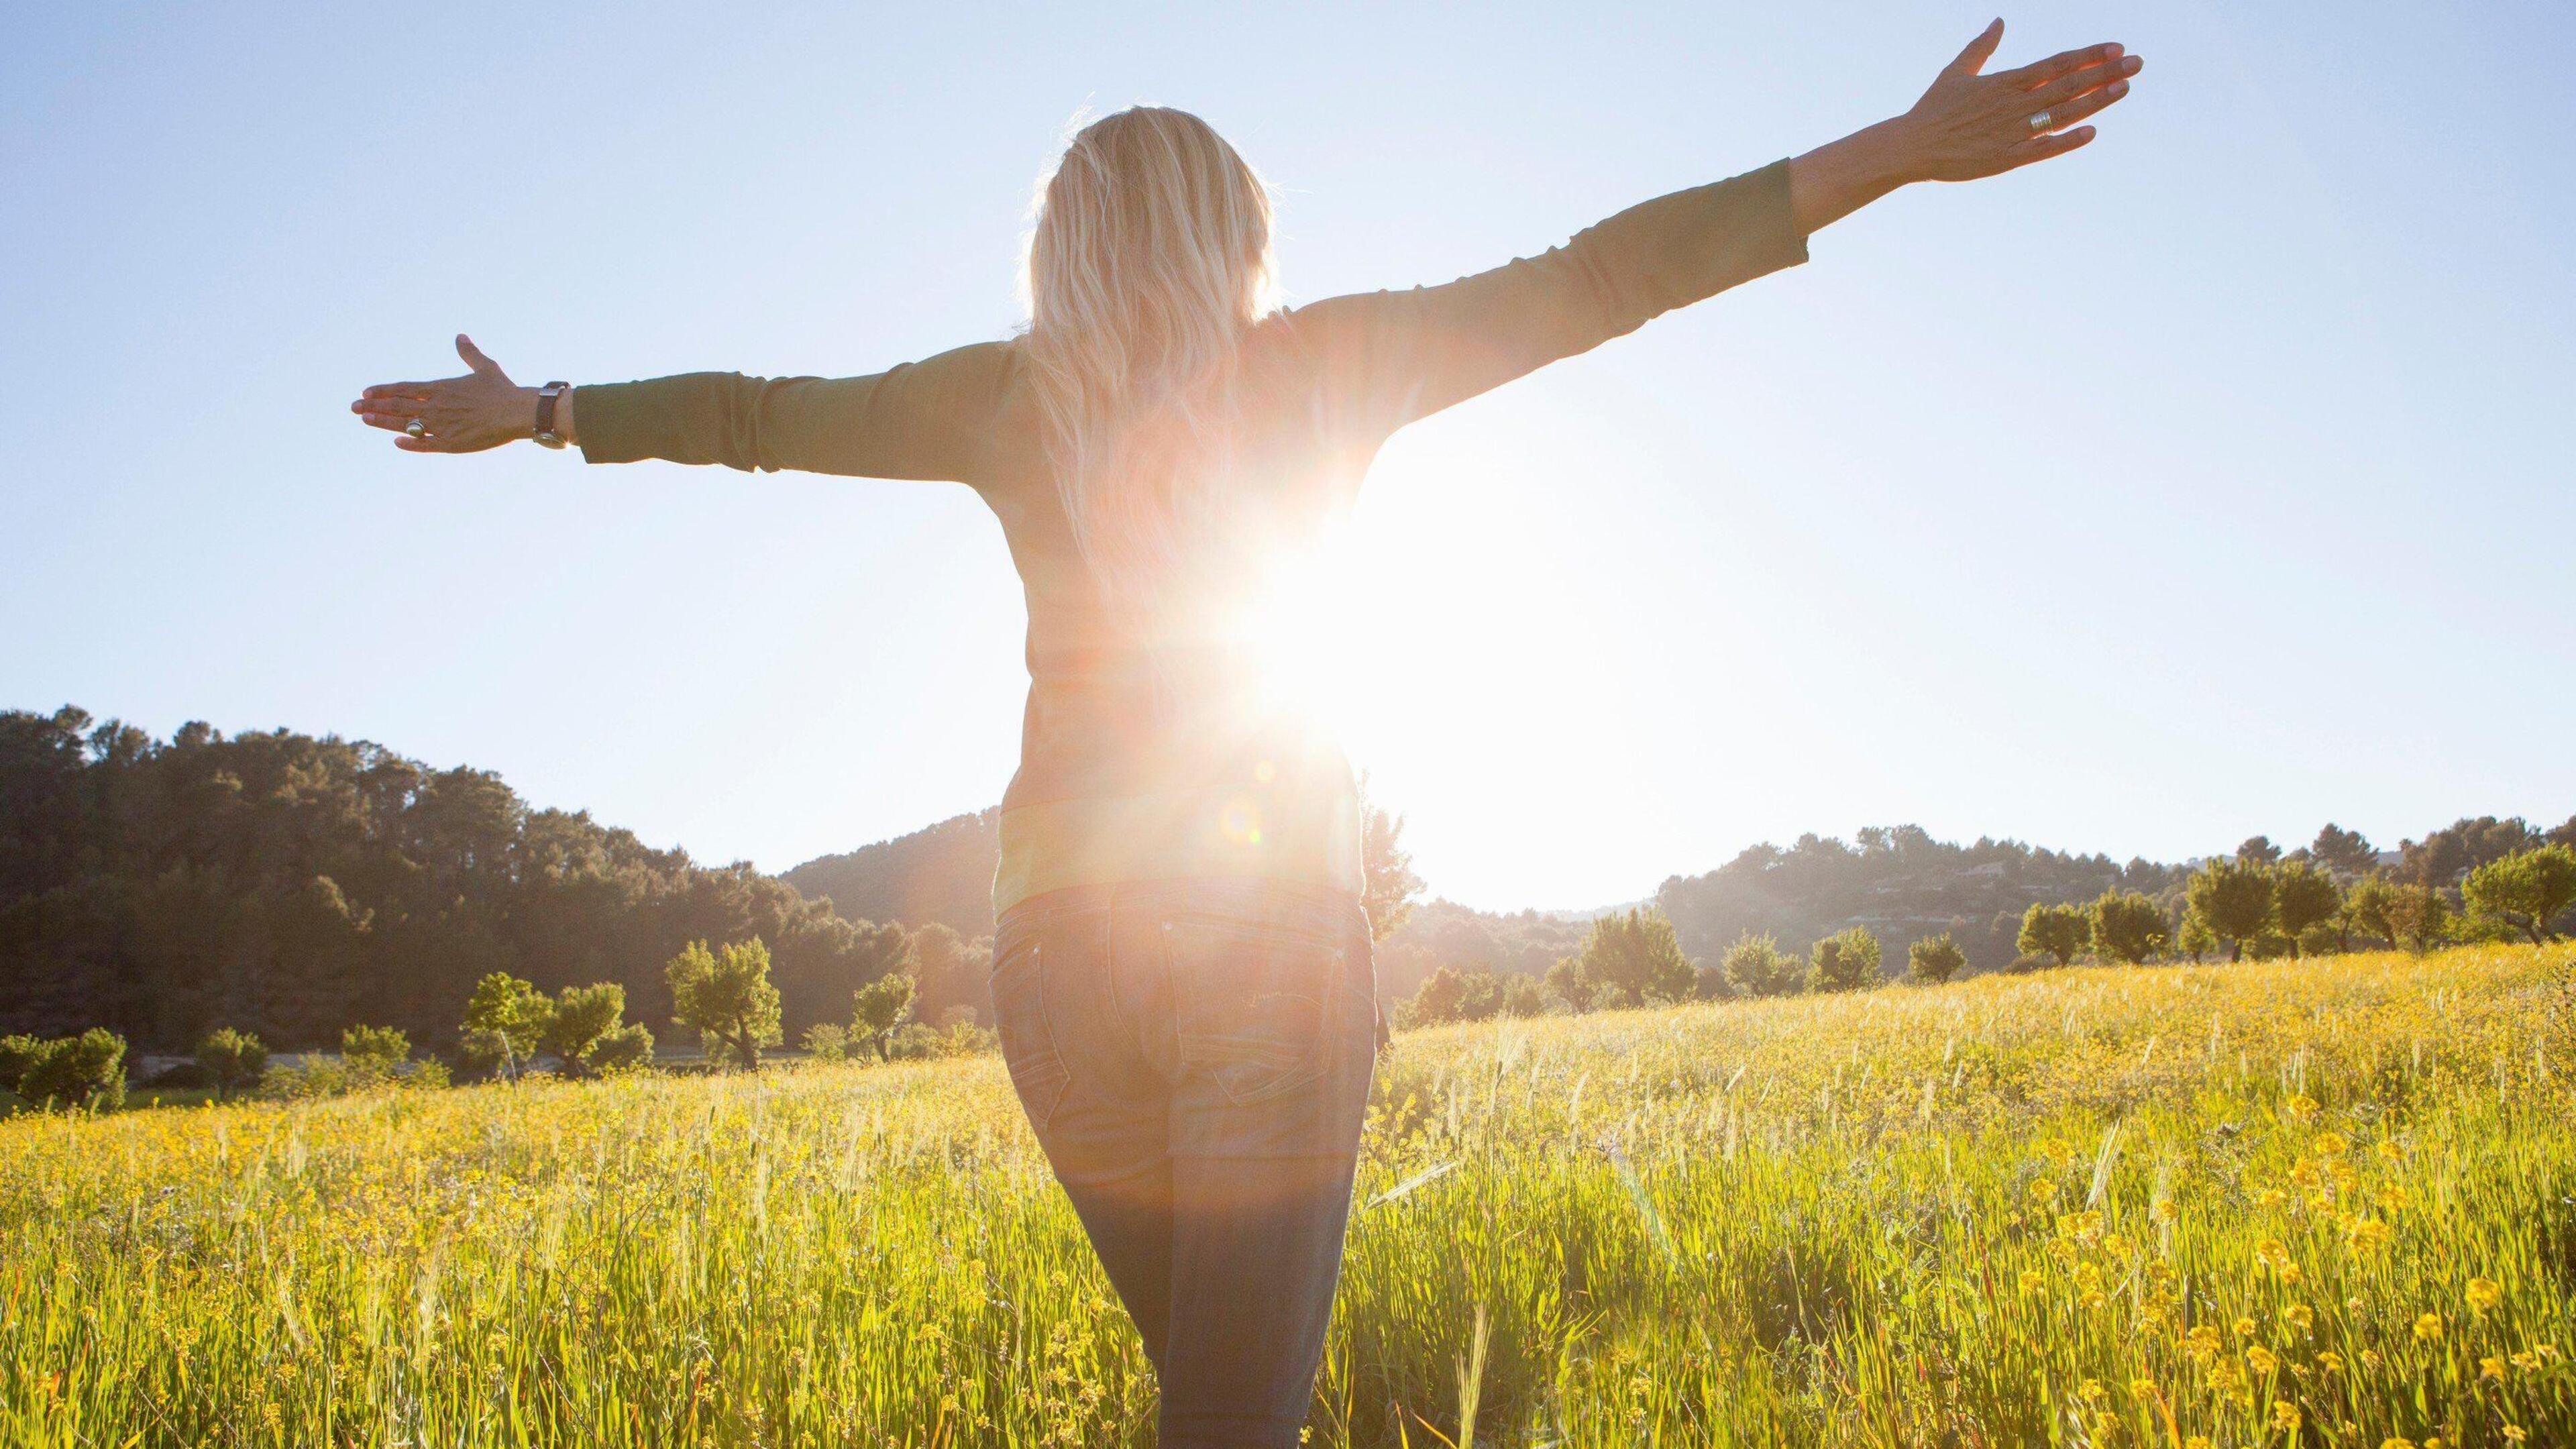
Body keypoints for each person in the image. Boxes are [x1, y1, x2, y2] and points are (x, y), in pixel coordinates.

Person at [353, 21, 2139, 1445]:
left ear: (1062, 251)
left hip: (1053, 963)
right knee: (1229, 1420)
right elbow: (1611, 274)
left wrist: (548, 411)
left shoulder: (996, 401)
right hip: (1266, 941)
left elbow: (756, 414)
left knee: (1216, 1400)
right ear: (1240, 239)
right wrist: (1895, 154)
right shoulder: (1321, 365)